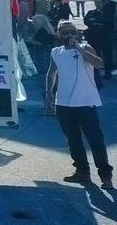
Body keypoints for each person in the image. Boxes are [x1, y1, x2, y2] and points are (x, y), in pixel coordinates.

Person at [47, 21, 112, 188]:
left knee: (95, 140)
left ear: (77, 33)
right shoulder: (56, 52)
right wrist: (49, 92)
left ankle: (105, 175)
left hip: (86, 103)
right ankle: (82, 171)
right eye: (65, 32)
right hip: (64, 104)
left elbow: (99, 63)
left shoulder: (85, 47)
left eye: (72, 31)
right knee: (73, 140)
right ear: (59, 33)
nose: (69, 35)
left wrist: (80, 49)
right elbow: (52, 73)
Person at [83, 0, 114, 78]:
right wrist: (97, 23)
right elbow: (87, 21)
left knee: (107, 54)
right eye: (96, 2)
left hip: (105, 36)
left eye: (100, 2)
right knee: (95, 54)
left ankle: (108, 72)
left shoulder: (109, 10)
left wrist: (96, 22)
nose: (98, 4)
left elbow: (109, 22)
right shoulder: (91, 12)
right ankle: (95, 73)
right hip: (93, 37)